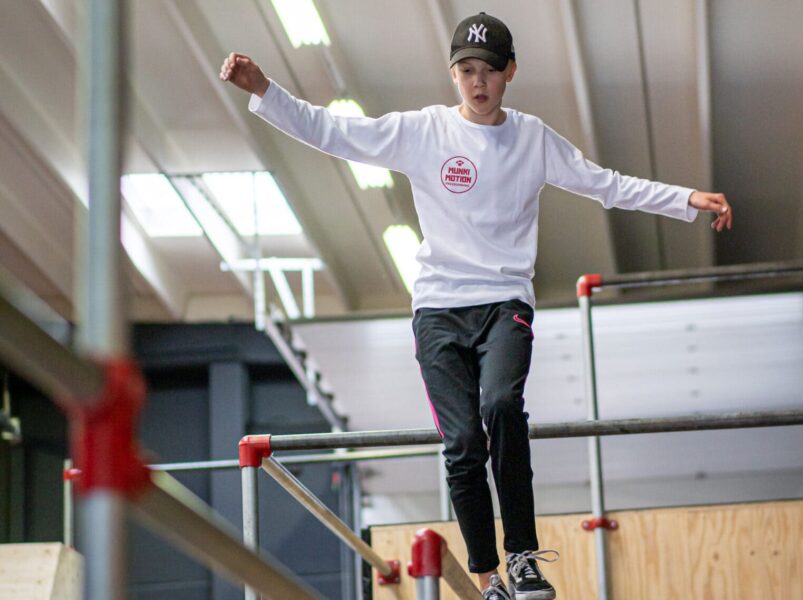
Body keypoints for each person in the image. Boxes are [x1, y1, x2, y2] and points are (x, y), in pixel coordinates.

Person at [221, 11, 732, 600]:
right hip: (438, 308)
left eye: (489, 70)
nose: (477, 82)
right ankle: (487, 575)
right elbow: (336, 134)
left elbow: (605, 183)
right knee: (462, 444)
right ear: (453, 75)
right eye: (466, 71)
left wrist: (685, 199)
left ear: (509, 72)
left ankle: (521, 558)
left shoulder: (533, 138)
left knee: (502, 406)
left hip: (504, 303)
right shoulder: (423, 132)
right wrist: (265, 90)